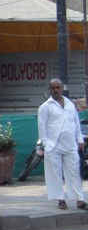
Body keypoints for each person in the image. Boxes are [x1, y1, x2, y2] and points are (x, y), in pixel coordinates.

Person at [37, 78, 88, 210]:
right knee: (55, 174)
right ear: (49, 90)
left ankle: (80, 200)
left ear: (61, 88)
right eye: (53, 88)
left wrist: (80, 140)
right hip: (53, 146)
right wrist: (47, 144)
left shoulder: (70, 104)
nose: (56, 90)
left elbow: (76, 123)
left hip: (70, 145)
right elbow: (42, 128)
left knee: (74, 172)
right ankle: (61, 199)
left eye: (58, 87)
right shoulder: (45, 107)